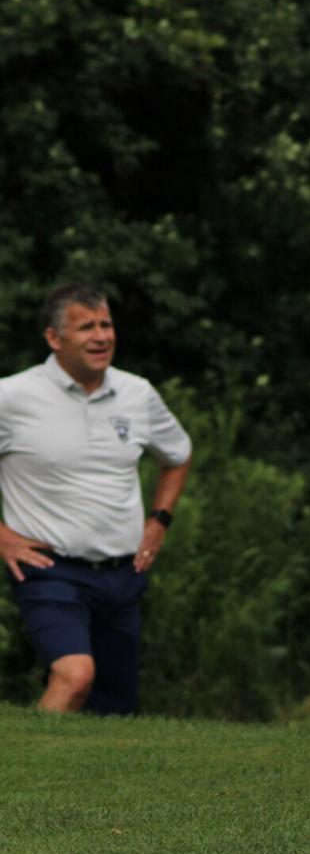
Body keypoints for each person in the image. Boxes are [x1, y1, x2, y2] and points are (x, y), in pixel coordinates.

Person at [0, 283, 192, 715]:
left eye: (105, 324)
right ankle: (18, 770)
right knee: (75, 676)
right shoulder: (11, 396)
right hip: (50, 570)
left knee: (114, 709)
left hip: (124, 574)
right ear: (54, 338)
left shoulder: (137, 393)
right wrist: (2, 537)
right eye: (86, 327)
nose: (101, 336)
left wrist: (159, 521)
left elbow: (178, 455)